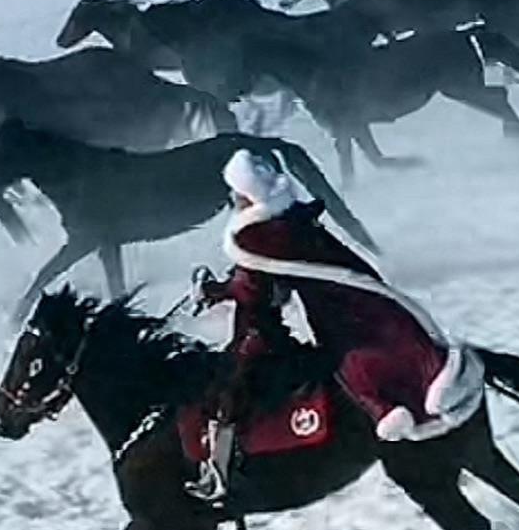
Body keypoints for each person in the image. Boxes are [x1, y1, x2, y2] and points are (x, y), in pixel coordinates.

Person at [186, 145, 483, 504]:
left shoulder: (259, 238)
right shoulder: (288, 223)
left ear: (247, 195)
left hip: (263, 333)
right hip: (334, 313)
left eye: (237, 194)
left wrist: (217, 290)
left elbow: (254, 291)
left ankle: (218, 474)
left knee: (228, 392)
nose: (234, 201)